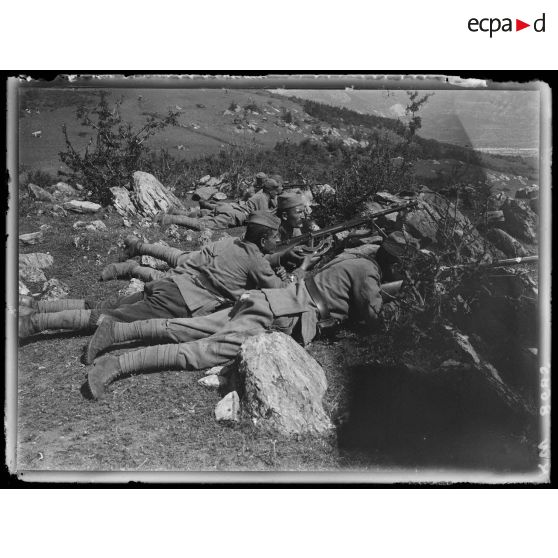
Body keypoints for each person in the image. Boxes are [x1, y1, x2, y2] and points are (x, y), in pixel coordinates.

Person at [86, 251, 385, 399]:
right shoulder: (369, 272)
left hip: (267, 299)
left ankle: (117, 331)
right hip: (279, 316)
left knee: (190, 328)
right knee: (201, 352)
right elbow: (373, 316)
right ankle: (116, 364)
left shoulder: (354, 259)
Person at [19, 212, 291, 340]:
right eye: (276, 237)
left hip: (171, 283)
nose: (277, 241)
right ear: (265, 238)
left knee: (110, 306)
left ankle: (36, 306)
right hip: (180, 301)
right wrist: (295, 270)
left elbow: (199, 260)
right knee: (108, 318)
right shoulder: (257, 261)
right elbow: (278, 291)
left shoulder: (228, 242)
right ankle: (33, 324)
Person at [155, 177, 283, 230]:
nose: (276, 194)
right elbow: (262, 218)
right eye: (275, 192)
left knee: (201, 215)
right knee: (203, 224)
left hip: (231, 208)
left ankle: (176, 212)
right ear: (270, 191)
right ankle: (169, 218)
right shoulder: (262, 198)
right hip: (235, 214)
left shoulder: (261, 194)